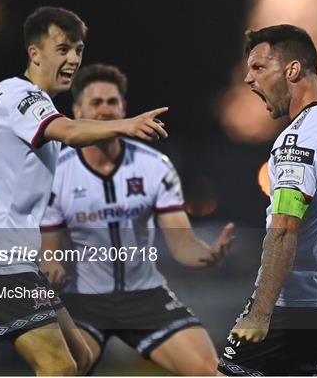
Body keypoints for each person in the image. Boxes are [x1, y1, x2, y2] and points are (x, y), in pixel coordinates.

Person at [0, 7, 168, 376]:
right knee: (58, 367)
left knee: (80, 358)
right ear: (35, 53)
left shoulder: (24, 103)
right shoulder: (20, 94)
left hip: (7, 252)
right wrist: (125, 124)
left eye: (78, 50)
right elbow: (70, 132)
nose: (73, 59)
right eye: (62, 49)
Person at [39, 63, 235, 376]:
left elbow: (182, 241)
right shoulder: (56, 171)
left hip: (145, 297)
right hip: (82, 301)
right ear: (76, 111)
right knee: (61, 370)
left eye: (112, 102)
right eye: (96, 102)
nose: (105, 110)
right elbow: (48, 252)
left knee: (211, 371)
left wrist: (206, 255)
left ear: (124, 109)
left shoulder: (153, 165)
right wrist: (51, 266)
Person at [217, 25, 317, 376]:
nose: (247, 78)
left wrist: (260, 313)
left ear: (293, 70)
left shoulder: (298, 141)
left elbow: (285, 230)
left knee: (230, 371)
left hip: (295, 301)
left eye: (258, 68)